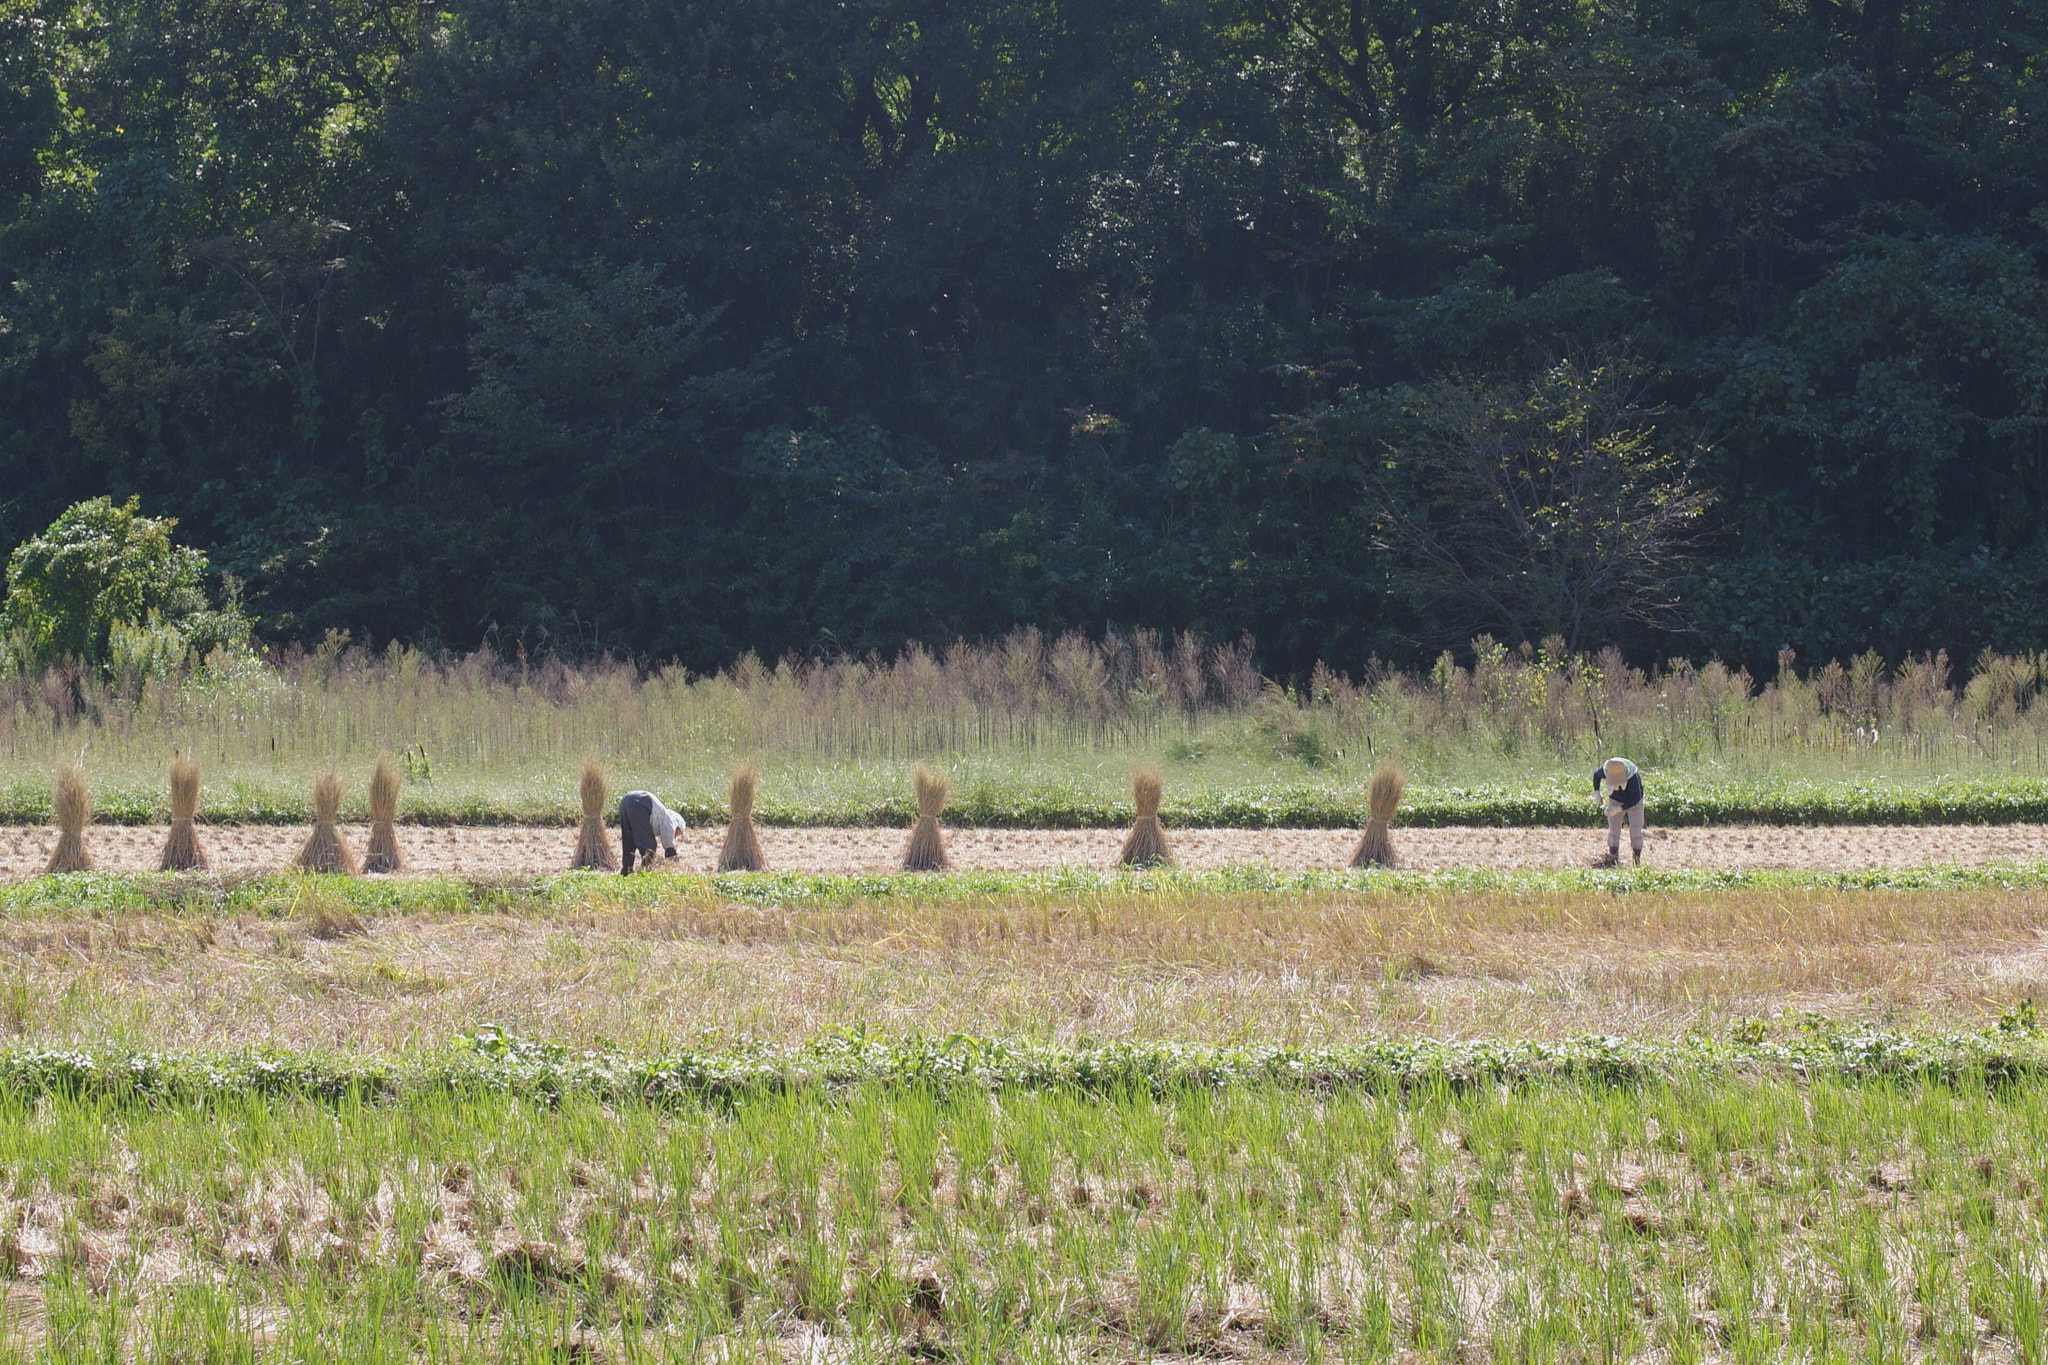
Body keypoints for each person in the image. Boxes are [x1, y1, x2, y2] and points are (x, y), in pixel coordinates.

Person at [617, 789, 686, 874]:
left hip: (626, 801)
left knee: (629, 842)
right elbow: (668, 844)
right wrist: (673, 859)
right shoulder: (670, 820)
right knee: (649, 847)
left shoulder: (661, 815)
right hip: (640, 803)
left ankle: (626, 870)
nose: (675, 836)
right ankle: (646, 872)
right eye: (678, 834)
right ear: (678, 827)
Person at [1592, 757, 1644, 866]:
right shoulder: (1606, 769)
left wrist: (1619, 809)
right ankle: (1613, 860)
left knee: (1635, 830)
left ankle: (1636, 862)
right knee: (1614, 829)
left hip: (1634, 802)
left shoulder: (1633, 776)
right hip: (1615, 799)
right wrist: (1597, 792)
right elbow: (1596, 775)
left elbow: (1636, 797)